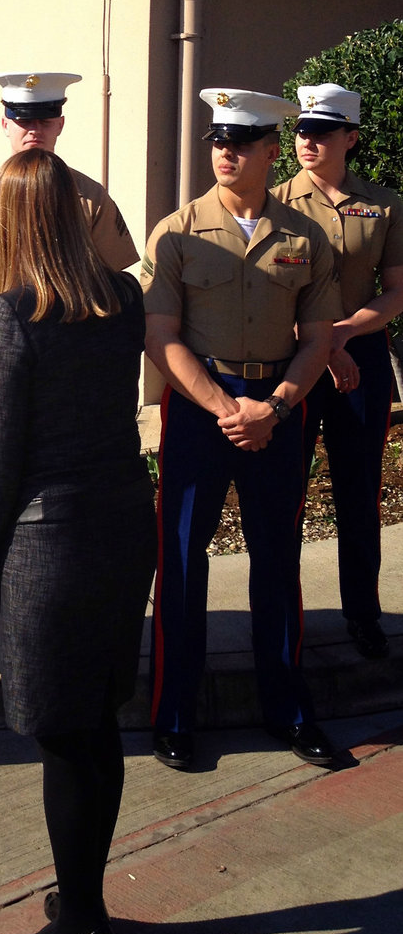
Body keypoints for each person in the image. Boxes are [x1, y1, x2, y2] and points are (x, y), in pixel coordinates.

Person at [0, 148, 156, 934]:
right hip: (119, 524)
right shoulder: (123, 297)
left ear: (12, 223)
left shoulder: (11, 315)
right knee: (95, 720)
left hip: (51, 542)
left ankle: (83, 922)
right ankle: (81, 897)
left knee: (64, 734)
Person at [143, 88, 343, 772]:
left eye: (240, 142)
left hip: (278, 406)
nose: (225, 152)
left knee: (278, 558)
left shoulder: (304, 236)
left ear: (269, 151)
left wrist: (278, 406)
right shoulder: (176, 231)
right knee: (180, 559)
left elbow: (318, 338)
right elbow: (160, 337)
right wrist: (224, 408)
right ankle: (173, 712)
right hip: (201, 409)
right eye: (217, 141)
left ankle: (288, 709)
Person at [0, 70, 139, 679]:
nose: (33, 130)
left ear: (59, 124)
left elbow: (114, 283)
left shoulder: (89, 197)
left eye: (44, 119)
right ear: (5, 123)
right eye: (22, 120)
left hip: (70, 376)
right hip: (7, 364)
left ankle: (48, 628)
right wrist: (1, 343)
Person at [272, 83, 403, 659]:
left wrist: (345, 333)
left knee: (358, 491)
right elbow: (273, 295)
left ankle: (363, 614)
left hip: (361, 359)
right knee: (284, 493)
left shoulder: (383, 204)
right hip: (294, 359)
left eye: (322, 132)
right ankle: (282, 619)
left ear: (350, 137)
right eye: (302, 130)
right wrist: (323, 345)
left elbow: (396, 292)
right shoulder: (272, 202)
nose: (308, 141)